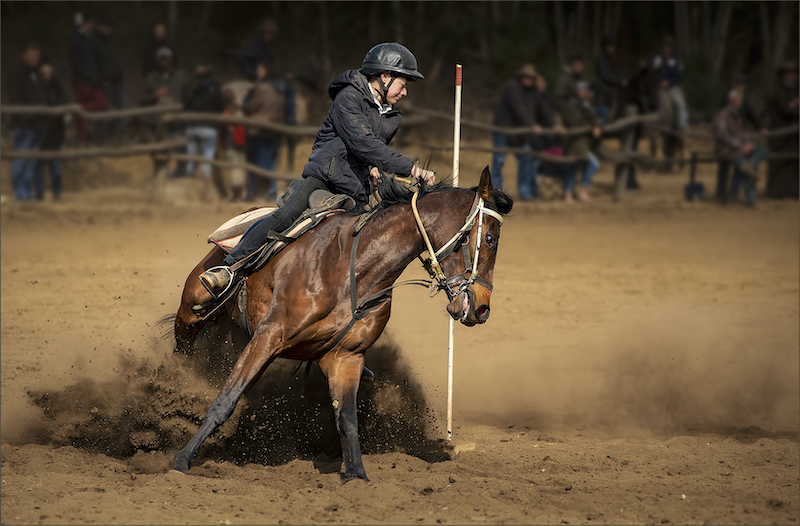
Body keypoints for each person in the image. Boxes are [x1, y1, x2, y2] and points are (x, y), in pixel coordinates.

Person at [199, 42, 435, 297]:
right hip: (325, 177)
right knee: (285, 216)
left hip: (356, 189)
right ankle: (229, 268)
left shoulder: (393, 117)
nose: (405, 93)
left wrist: (373, 168)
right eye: (404, 85)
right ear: (385, 77)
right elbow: (364, 143)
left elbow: (371, 150)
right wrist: (411, 169)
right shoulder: (349, 98)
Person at [490, 64, 548, 201]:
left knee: (526, 159)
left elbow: (542, 108)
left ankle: (526, 192)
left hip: (519, 133)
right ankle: (495, 193)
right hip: (503, 129)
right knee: (499, 160)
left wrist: (554, 124)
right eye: (526, 77)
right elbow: (519, 108)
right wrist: (531, 125)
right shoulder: (512, 87)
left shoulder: (532, 91)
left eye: (531, 78)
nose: (528, 80)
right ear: (521, 76)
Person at [242, 61, 295, 202]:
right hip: (274, 129)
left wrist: (246, 103)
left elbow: (250, 106)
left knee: (256, 162)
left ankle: (252, 193)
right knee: (269, 161)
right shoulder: (283, 90)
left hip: (258, 129)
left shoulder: (263, 89)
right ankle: (270, 191)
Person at [6, 41, 49, 201]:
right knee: (21, 158)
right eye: (31, 55)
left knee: (32, 161)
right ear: (23, 55)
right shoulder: (16, 74)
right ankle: (20, 192)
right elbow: (15, 99)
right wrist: (25, 117)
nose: (34, 58)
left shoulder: (38, 74)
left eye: (36, 55)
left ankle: (27, 192)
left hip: (39, 124)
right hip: (25, 124)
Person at [712, 90, 768, 207]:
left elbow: (741, 133)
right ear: (732, 101)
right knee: (742, 167)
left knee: (762, 149)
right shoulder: (723, 115)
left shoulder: (737, 115)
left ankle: (750, 165)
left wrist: (747, 143)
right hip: (727, 151)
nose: (741, 103)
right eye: (738, 101)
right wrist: (739, 145)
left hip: (738, 149)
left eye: (741, 101)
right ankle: (751, 198)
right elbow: (722, 135)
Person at [69, 11, 109, 145]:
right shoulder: (76, 39)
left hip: (93, 80)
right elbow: (75, 62)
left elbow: (94, 61)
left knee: (103, 105)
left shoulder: (89, 39)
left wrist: (98, 77)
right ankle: (82, 139)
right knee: (82, 115)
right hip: (82, 81)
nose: (92, 25)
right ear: (85, 23)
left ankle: (78, 111)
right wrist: (86, 76)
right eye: (90, 22)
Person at [557, 81, 602, 203]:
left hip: (582, 143)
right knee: (575, 166)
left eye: (585, 90)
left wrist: (596, 124)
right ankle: (570, 194)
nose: (583, 92)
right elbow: (576, 121)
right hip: (573, 142)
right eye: (581, 90)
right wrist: (591, 125)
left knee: (582, 166)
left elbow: (594, 117)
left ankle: (577, 192)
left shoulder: (585, 104)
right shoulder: (570, 105)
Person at [181, 60, 224, 179]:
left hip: (191, 126)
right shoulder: (215, 86)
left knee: (191, 159)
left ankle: (189, 187)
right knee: (207, 160)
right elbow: (220, 104)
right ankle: (204, 189)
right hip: (209, 127)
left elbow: (184, 104)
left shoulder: (190, 86)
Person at [766, 61, 799, 199]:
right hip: (781, 134)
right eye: (788, 73)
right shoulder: (778, 91)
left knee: (794, 162)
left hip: (794, 134)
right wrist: (794, 106)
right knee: (780, 162)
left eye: (793, 73)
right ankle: (777, 192)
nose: (791, 76)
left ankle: (794, 190)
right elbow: (784, 110)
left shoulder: (796, 90)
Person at [36, 60, 68, 200]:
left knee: (55, 165)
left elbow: (64, 101)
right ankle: (39, 193)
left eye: (49, 72)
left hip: (56, 130)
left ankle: (57, 192)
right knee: (38, 164)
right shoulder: (35, 86)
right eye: (44, 72)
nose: (47, 75)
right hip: (39, 129)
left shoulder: (57, 85)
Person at [93, 13, 126, 145]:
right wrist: (101, 80)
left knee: (122, 109)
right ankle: (101, 140)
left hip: (117, 82)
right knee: (102, 112)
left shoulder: (110, 41)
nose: (109, 29)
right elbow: (93, 64)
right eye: (106, 26)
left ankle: (121, 138)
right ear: (100, 27)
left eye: (110, 27)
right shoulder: (94, 43)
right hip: (104, 84)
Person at [219, 88, 248, 202]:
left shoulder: (226, 112)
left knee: (235, 170)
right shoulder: (238, 110)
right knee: (238, 168)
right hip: (240, 142)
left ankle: (237, 196)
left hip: (232, 142)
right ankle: (238, 195)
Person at [594, 34, 627, 124]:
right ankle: (609, 120)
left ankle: (620, 117)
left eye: (613, 46)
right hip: (604, 87)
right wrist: (619, 81)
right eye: (609, 46)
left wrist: (621, 80)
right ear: (605, 46)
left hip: (614, 86)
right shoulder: (601, 59)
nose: (611, 48)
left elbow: (618, 73)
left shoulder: (614, 58)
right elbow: (605, 76)